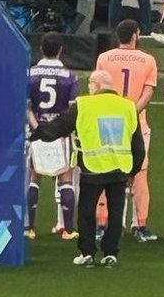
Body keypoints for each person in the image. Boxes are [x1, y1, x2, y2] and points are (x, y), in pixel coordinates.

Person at [29, 69, 144, 267]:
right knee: (116, 213)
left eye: (90, 83)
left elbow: (57, 128)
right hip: (119, 168)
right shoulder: (129, 107)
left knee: (86, 211)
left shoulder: (83, 105)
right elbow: (138, 145)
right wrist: (133, 171)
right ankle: (111, 253)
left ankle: (87, 252)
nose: (89, 87)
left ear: (97, 85)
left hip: (93, 168)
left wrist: (37, 132)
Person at [96, 19, 159, 243]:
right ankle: (140, 225)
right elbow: (148, 93)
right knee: (139, 174)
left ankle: (103, 223)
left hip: (109, 122)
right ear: (135, 35)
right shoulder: (148, 60)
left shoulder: (104, 58)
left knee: (105, 170)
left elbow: (98, 89)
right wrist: (131, 112)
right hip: (136, 123)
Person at [24, 31, 79, 242]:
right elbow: (73, 109)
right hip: (60, 132)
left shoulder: (30, 73)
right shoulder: (69, 76)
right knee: (65, 177)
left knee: (34, 176)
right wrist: (56, 127)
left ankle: (30, 228)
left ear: (40, 49)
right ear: (61, 50)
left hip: (37, 129)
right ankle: (68, 229)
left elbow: (26, 106)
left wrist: (38, 127)